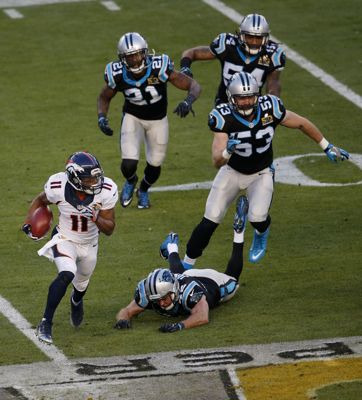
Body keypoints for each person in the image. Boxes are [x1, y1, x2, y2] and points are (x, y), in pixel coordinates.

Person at [182, 71, 350, 268]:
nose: (245, 103)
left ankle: (261, 233)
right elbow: (216, 161)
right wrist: (227, 152)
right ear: (231, 98)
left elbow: (302, 123)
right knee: (210, 219)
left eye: (249, 97)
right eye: (240, 98)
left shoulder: (271, 108)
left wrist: (326, 146)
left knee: (258, 217)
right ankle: (185, 265)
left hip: (261, 173)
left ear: (257, 95)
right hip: (232, 171)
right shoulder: (222, 117)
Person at [22, 151, 118, 345]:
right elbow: (40, 200)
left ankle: (76, 300)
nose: (94, 181)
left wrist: (96, 217)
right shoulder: (57, 186)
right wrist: (29, 222)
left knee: (81, 283)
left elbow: (109, 229)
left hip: (90, 243)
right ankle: (45, 323)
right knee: (67, 273)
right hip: (64, 237)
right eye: (89, 178)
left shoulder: (106, 190)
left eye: (96, 176)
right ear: (75, 178)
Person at [97, 32, 201, 209]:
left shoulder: (159, 67)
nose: (135, 60)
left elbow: (193, 85)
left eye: (138, 55)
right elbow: (104, 96)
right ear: (122, 58)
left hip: (158, 120)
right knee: (128, 164)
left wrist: (188, 100)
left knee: (155, 163)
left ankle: (143, 189)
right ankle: (131, 181)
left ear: (145, 52)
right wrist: (101, 117)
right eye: (130, 57)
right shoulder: (117, 74)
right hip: (133, 117)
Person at [114, 197, 248, 333]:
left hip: (213, 283)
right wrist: (123, 320)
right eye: (157, 300)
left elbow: (202, 316)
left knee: (233, 281)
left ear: (173, 290)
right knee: (182, 274)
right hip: (186, 275)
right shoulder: (150, 290)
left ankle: (239, 232)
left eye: (163, 298)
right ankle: (171, 247)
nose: (161, 303)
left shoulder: (190, 291)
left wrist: (179, 325)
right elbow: (127, 310)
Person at [180, 13, 285, 104]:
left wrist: (273, 101)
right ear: (241, 35)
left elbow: (273, 83)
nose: (254, 42)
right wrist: (185, 68)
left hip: (253, 107)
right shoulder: (227, 45)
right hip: (225, 105)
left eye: (258, 38)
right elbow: (192, 53)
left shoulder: (273, 54)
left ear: (265, 38)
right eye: (250, 37)